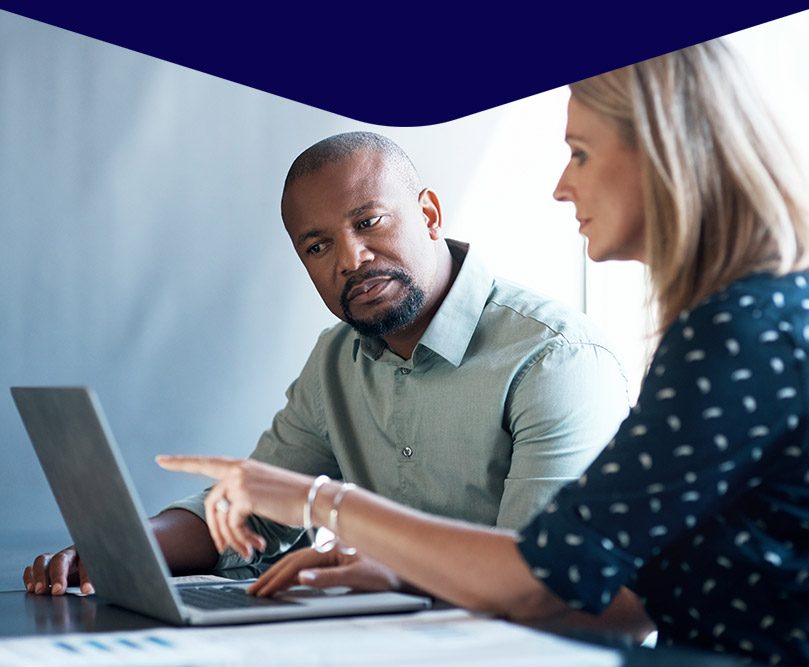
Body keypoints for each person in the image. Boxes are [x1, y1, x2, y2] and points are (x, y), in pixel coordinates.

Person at [158, 38, 809, 664]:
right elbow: (621, 591)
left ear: (668, 150)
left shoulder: (728, 334)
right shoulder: (748, 320)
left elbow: (544, 579)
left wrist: (318, 502)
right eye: (318, 245)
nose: (560, 185)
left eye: (578, 152)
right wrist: (395, 573)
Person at [24, 132, 629, 596]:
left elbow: (543, 582)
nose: (351, 258)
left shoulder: (557, 361)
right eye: (318, 246)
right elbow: (256, 509)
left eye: (368, 222)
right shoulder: (336, 358)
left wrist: (392, 572)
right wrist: (125, 548)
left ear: (430, 214)